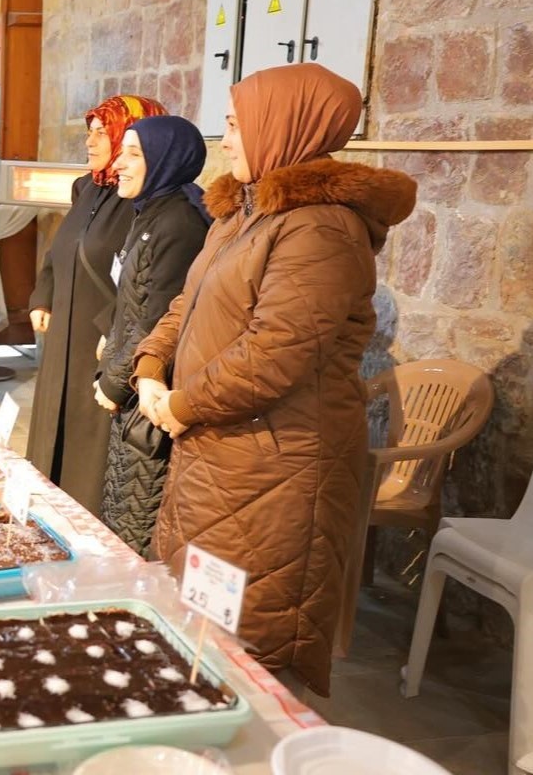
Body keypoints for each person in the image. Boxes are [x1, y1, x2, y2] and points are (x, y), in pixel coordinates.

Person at [134, 63, 417, 695]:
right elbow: (189, 304)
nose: (225, 140)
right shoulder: (246, 213)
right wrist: (151, 366)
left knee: (250, 650)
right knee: (203, 631)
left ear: (277, 126)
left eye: (234, 125)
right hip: (222, 448)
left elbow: (277, 352)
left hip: (275, 465)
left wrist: (184, 402)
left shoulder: (320, 226)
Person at [26, 95, 167, 512]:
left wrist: (112, 327)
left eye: (102, 132)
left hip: (101, 340)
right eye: (90, 131)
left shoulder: (137, 197)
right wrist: (43, 293)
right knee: (52, 426)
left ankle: (80, 526)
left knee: (87, 445)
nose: (90, 141)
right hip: (63, 332)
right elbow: (61, 248)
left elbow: (144, 280)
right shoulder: (86, 187)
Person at [93, 116, 211, 557]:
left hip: (151, 391)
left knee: (138, 518)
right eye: (121, 151)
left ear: (165, 159)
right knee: (122, 507)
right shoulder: (151, 211)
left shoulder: (178, 223)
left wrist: (112, 380)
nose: (118, 163)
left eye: (133, 154)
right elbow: (132, 299)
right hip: (132, 381)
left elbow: (158, 316)